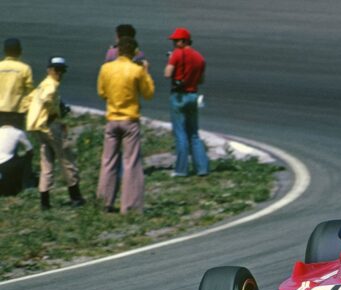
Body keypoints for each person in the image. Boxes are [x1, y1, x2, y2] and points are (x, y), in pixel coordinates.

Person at [96, 36, 154, 214]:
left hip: (112, 119)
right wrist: (146, 71)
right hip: (130, 120)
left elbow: (101, 92)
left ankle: (104, 201)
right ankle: (130, 205)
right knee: (131, 163)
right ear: (133, 51)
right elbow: (148, 93)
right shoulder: (137, 70)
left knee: (108, 161)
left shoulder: (106, 68)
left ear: (119, 50)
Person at [26, 56, 85, 210]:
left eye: (61, 70)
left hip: (39, 129)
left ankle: (44, 202)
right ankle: (76, 197)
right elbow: (47, 99)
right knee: (67, 160)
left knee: (46, 163)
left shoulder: (42, 85)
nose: (59, 73)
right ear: (50, 70)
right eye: (57, 70)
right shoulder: (51, 87)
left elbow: (29, 100)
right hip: (51, 126)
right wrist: (55, 110)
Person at [164, 27, 208, 177]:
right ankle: (202, 168)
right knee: (194, 133)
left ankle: (181, 170)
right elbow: (201, 80)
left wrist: (171, 60)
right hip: (193, 95)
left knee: (181, 133)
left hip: (178, 96)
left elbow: (167, 74)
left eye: (176, 41)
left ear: (184, 41)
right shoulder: (200, 58)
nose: (174, 43)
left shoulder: (177, 54)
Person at [0, 38, 33, 130]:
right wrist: (26, 107)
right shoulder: (25, 68)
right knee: (15, 139)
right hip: (17, 112)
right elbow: (30, 92)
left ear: (5, 51)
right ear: (20, 51)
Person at [0, 123, 32, 196]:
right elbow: (30, 149)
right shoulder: (18, 132)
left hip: (4, 161)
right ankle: (26, 184)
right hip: (5, 162)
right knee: (26, 160)